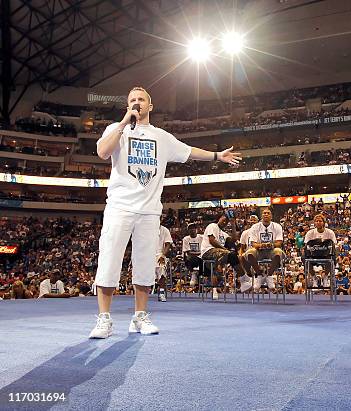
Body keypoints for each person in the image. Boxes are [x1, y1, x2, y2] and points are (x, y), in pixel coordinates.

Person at [89, 86, 241, 339]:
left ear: (151, 106)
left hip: (149, 211)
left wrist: (216, 155)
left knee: (145, 264)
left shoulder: (161, 136)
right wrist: (125, 122)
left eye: (141, 100)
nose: (137, 103)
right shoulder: (116, 128)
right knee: (109, 260)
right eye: (132, 100)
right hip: (119, 206)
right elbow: (103, 152)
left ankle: (140, 316)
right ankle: (104, 319)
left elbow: (189, 151)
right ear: (127, 106)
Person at [201, 213, 245, 299]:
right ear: (220, 218)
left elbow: (234, 240)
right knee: (227, 254)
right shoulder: (212, 226)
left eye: (227, 221)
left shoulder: (224, 233)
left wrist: (233, 224)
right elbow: (212, 241)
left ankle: (243, 281)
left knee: (232, 256)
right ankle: (244, 279)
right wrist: (225, 249)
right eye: (223, 219)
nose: (224, 222)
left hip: (219, 254)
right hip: (208, 251)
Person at [244, 208, 284, 292]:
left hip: (271, 250)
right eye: (264, 213)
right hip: (259, 250)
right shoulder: (255, 227)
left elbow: (279, 243)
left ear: (271, 216)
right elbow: (253, 243)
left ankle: (269, 275)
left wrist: (271, 244)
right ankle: (259, 274)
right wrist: (261, 245)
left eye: (268, 213)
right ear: (261, 216)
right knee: (249, 253)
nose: (266, 214)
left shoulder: (277, 226)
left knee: (279, 252)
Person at [238, 214, 259, 292]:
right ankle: (248, 277)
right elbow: (242, 247)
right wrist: (240, 254)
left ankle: (254, 277)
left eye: (254, 220)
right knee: (240, 257)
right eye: (251, 220)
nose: (252, 222)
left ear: (258, 222)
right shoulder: (245, 233)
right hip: (247, 254)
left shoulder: (260, 232)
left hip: (258, 253)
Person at [155, 224, 173, 302]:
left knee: (162, 268)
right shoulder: (146, 228)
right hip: (147, 254)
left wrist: (162, 255)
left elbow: (168, 244)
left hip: (159, 254)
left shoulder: (165, 230)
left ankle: (162, 292)